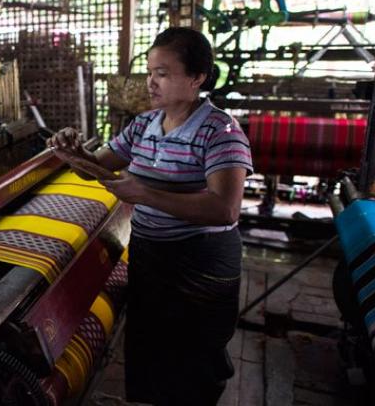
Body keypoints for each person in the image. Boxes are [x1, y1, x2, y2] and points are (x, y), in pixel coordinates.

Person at [47, 27, 253, 405]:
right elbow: (99, 167)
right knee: (149, 347)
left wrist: (145, 194)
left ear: (197, 78)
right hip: (151, 253)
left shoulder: (220, 132)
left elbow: (225, 207)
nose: (151, 82)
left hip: (201, 260)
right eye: (150, 71)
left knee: (194, 356)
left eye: (163, 73)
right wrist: (73, 155)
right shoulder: (144, 125)